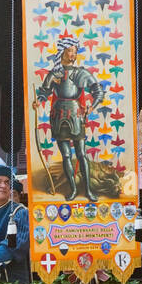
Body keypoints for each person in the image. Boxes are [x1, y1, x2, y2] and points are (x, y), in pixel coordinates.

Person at [34, 35, 102, 200]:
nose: (72, 54)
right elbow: (44, 92)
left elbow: (98, 91)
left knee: (81, 154)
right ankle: (72, 190)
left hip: (76, 115)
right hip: (58, 115)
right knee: (65, 155)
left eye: (74, 51)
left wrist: (91, 107)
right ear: (62, 52)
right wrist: (38, 102)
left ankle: (88, 190)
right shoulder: (55, 73)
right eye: (69, 50)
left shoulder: (81, 73)